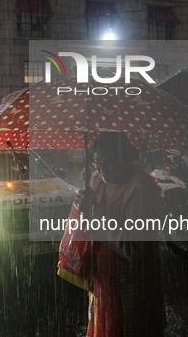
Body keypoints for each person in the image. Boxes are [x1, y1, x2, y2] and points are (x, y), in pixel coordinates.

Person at [74, 132, 165, 336]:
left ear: (125, 160)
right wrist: (83, 208)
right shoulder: (98, 182)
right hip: (103, 284)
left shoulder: (143, 192)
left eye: (110, 162)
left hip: (131, 286)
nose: (102, 168)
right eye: (97, 162)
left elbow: (134, 248)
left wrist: (94, 213)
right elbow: (89, 227)